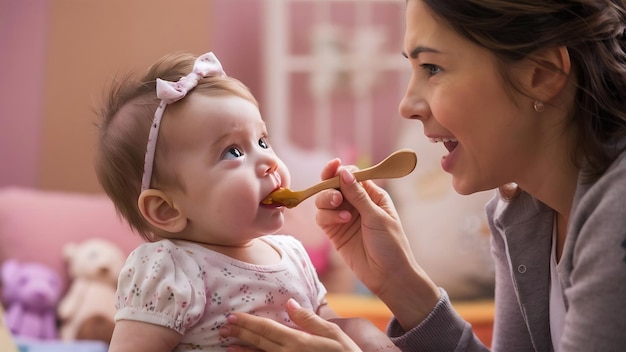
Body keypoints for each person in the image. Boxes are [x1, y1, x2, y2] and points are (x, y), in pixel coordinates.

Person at [218, 0, 626, 351]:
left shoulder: (616, 213)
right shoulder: (520, 212)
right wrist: (400, 281)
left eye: (432, 67)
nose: (408, 105)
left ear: (542, 74)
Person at [94, 51, 338, 352]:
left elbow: (328, 331)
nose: (268, 161)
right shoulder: (172, 272)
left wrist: (362, 335)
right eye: (233, 152)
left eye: (263, 141)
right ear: (167, 209)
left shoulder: (293, 255)